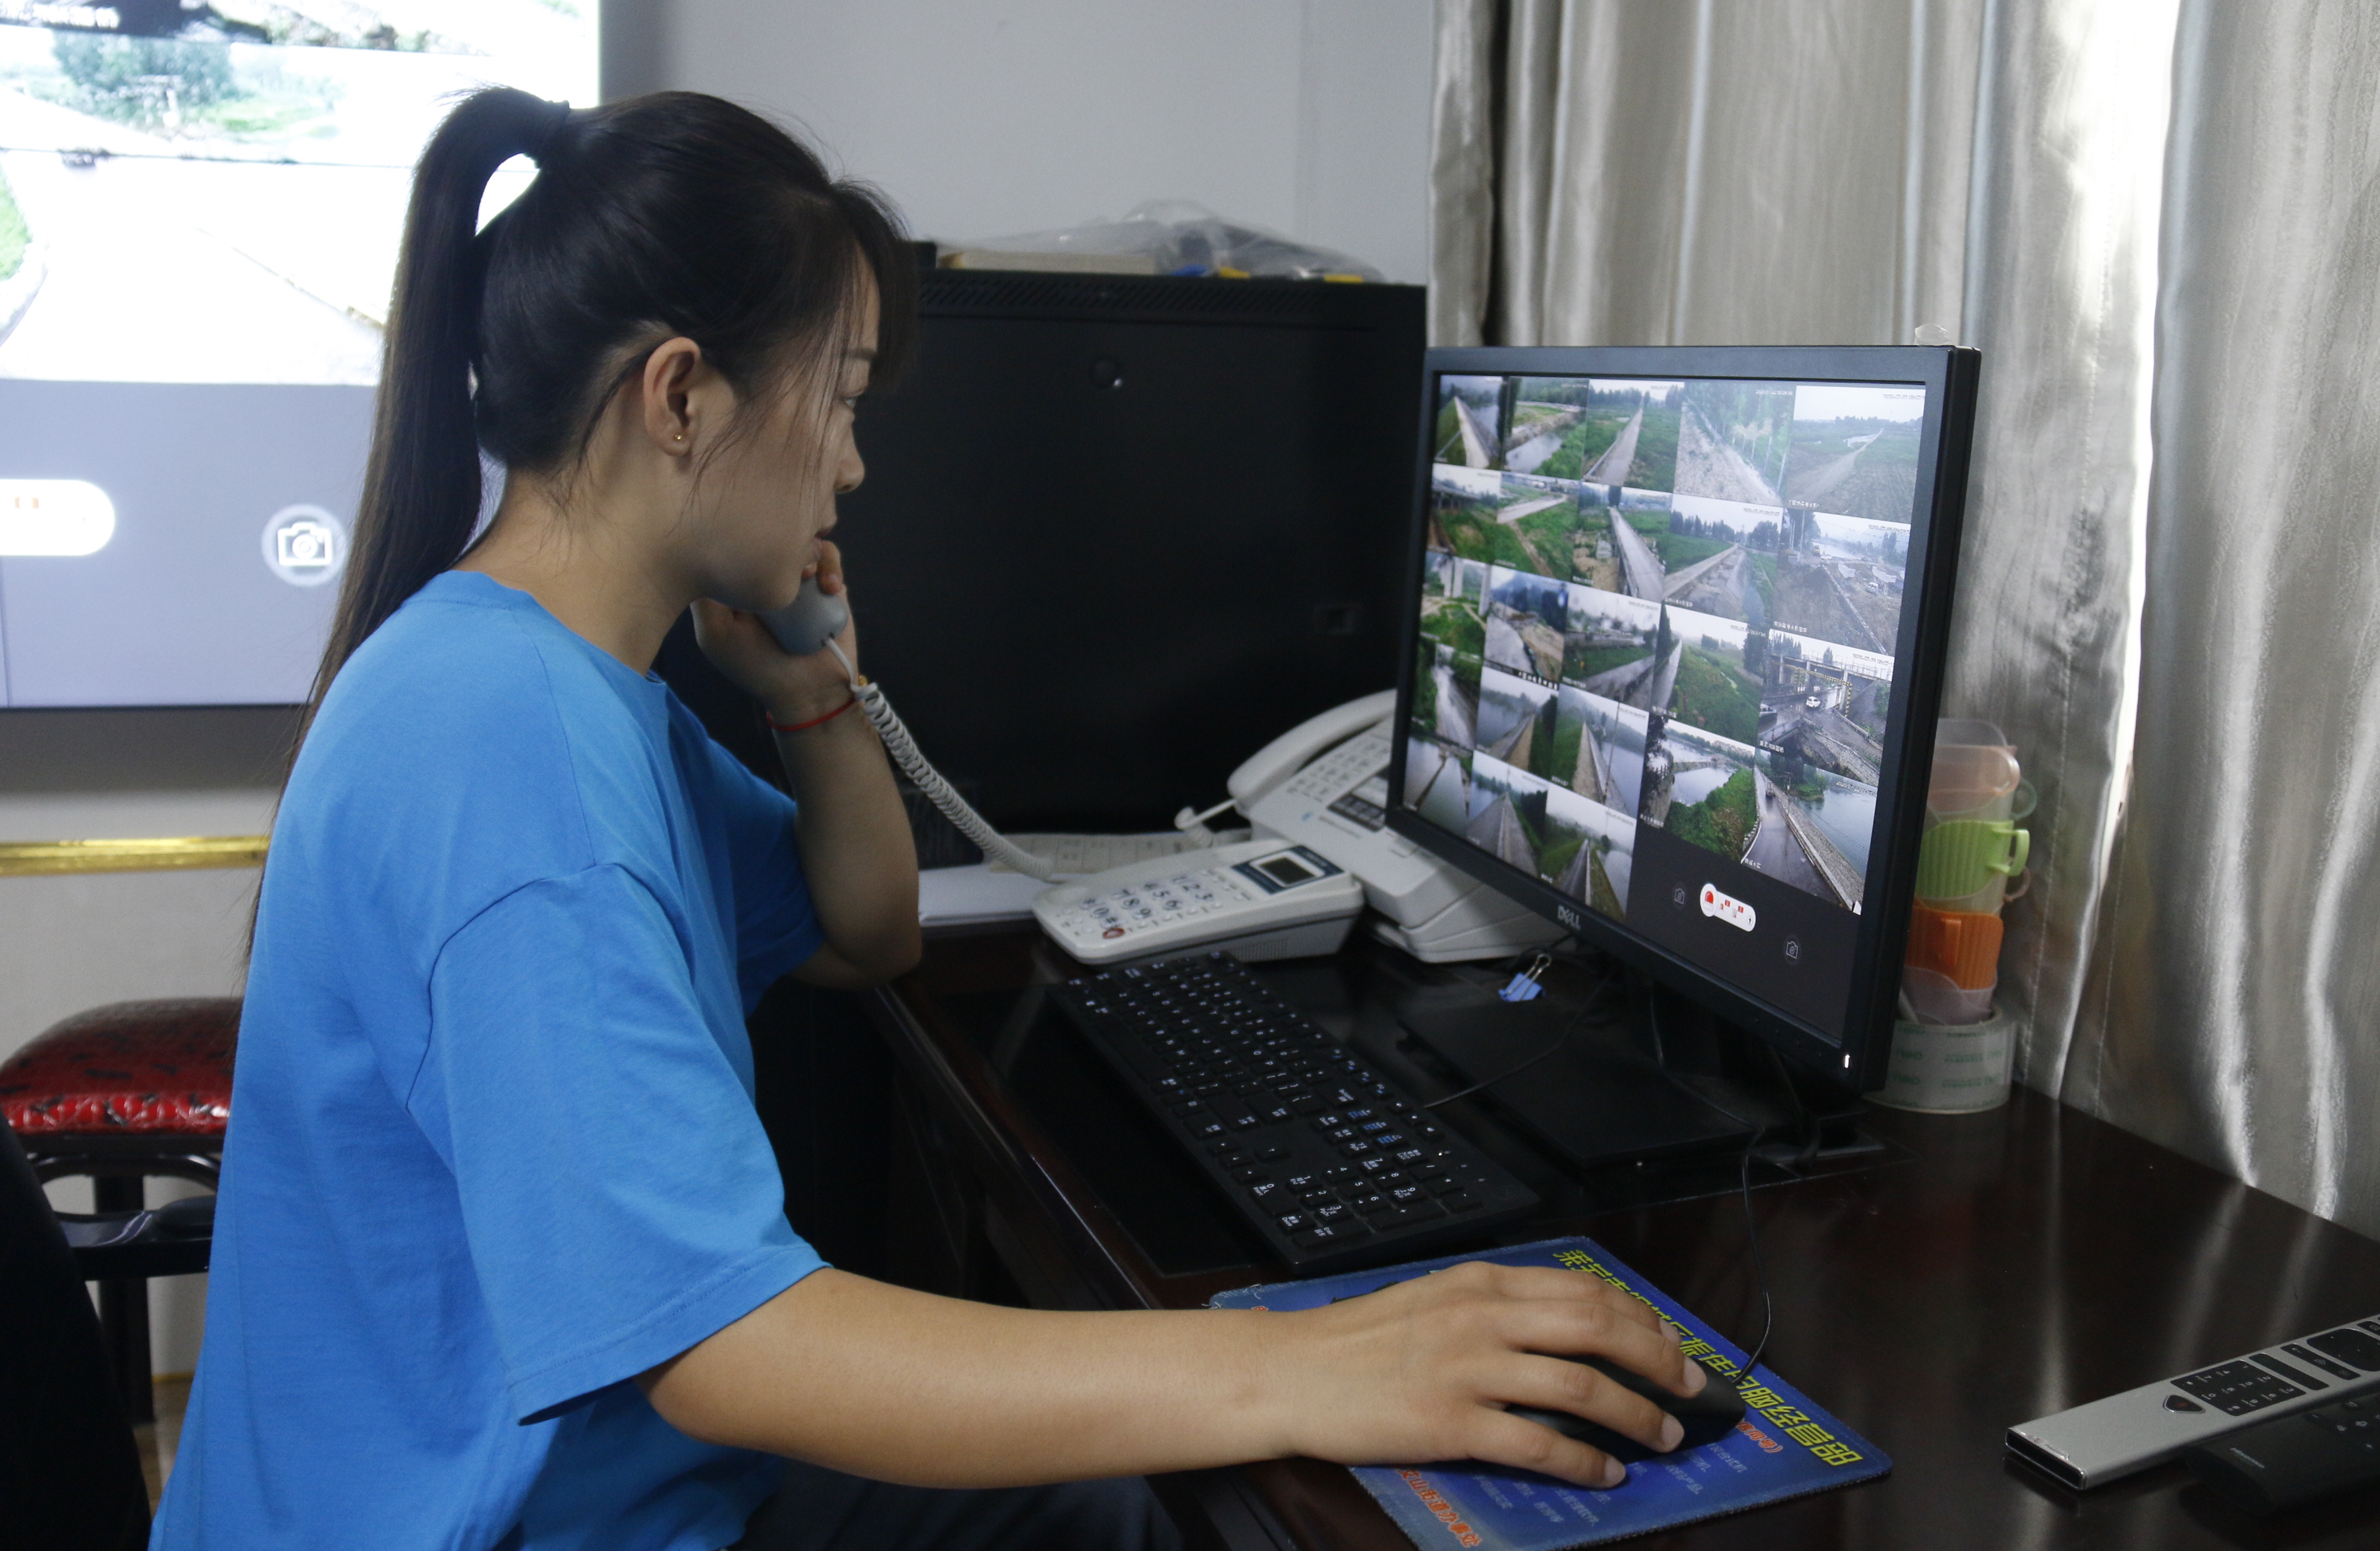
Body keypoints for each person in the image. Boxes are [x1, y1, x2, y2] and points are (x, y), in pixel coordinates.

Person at [153, 87, 1708, 1551]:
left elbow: (866, 931)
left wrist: (813, 693)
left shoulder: (546, 679)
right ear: (681, 396)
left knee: (1106, 1499)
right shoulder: (511, 753)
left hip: (594, 1487)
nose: (852, 461)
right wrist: (1303, 1365)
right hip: (503, 1521)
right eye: (838, 399)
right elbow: (729, 1347)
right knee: (1149, 1491)